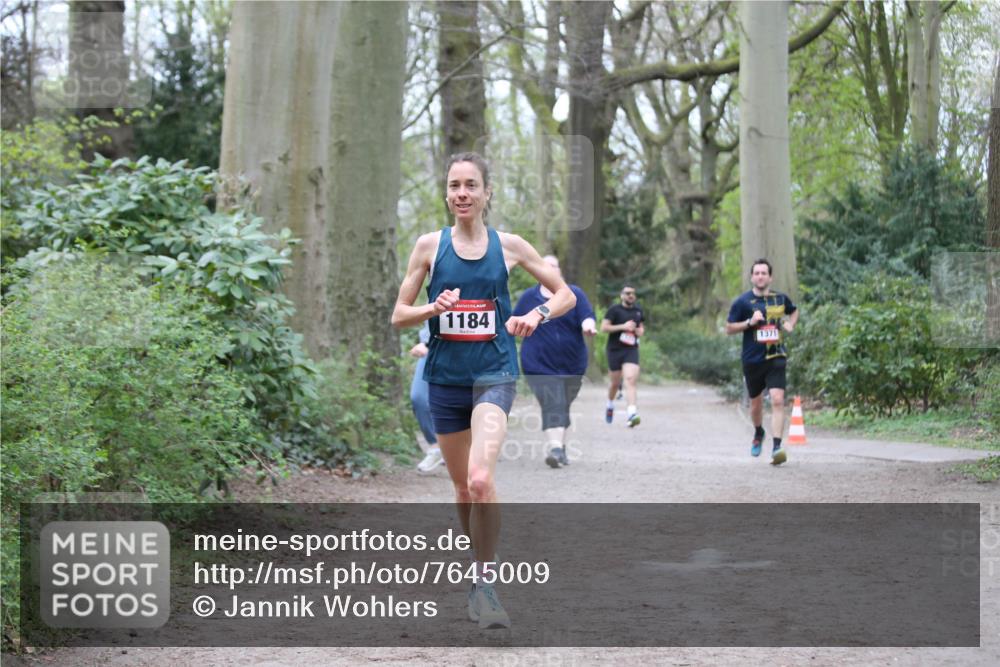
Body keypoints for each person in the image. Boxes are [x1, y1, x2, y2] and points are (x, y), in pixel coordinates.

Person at [391, 152, 575, 629]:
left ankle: (484, 583)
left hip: (494, 374)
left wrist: (535, 315)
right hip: (444, 379)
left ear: (487, 192)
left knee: (480, 481)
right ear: (447, 193)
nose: (462, 194)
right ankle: (479, 572)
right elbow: (398, 315)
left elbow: (565, 293)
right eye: (454, 186)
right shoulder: (429, 247)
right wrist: (434, 309)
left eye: (471, 185)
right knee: (460, 488)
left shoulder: (509, 246)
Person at [513, 255, 597, 469]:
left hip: (573, 364)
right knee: (554, 401)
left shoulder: (574, 294)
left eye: (554, 266)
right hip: (537, 363)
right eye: (546, 266)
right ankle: (555, 449)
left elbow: (587, 315)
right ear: (538, 271)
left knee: (563, 404)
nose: (550, 269)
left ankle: (559, 447)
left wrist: (588, 326)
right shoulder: (528, 298)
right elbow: (514, 322)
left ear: (560, 271)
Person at [725, 258, 799, 466]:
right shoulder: (742, 302)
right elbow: (729, 328)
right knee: (755, 404)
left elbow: (793, 310)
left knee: (777, 399)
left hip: (776, 356)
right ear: (751, 277)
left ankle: (777, 447)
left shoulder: (780, 299)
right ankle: (759, 432)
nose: (760, 276)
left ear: (770, 277)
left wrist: (790, 324)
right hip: (752, 360)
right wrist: (750, 322)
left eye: (763, 273)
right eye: (756, 273)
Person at [601, 284, 645, 427]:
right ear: (622, 295)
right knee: (615, 383)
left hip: (631, 349)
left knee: (630, 380)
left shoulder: (638, 311)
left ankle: (632, 413)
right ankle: (610, 404)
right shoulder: (614, 310)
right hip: (614, 350)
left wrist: (640, 332)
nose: (630, 296)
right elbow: (604, 327)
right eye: (627, 293)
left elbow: (641, 327)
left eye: (633, 293)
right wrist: (622, 327)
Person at [410, 322, 444, 472]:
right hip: (432, 348)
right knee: (418, 398)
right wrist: (425, 342)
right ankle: (436, 447)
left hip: (467, 349)